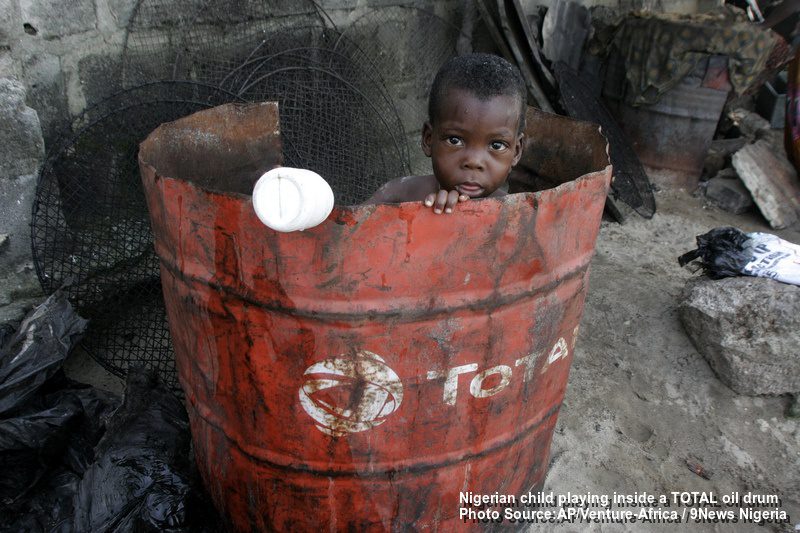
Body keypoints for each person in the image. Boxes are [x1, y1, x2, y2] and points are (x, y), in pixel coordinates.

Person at [365, 53, 527, 214]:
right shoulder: (397, 195)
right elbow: (346, 230)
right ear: (429, 139)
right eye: (455, 140)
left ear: (516, 151)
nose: (473, 161)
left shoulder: (514, 216)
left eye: (496, 145)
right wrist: (428, 216)